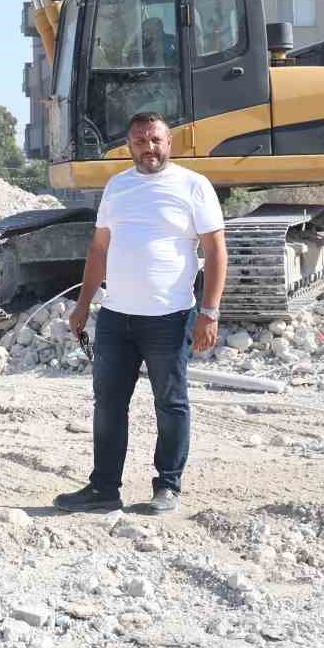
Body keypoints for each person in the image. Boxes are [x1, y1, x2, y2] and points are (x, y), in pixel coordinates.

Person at [53, 111, 227, 514]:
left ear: (169, 143)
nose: (148, 148)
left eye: (155, 140)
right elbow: (99, 249)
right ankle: (103, 489)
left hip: (169, 317)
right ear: (129, 146)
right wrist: (83, 305)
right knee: (108, 404)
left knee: (170, 403)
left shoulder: (193, 186)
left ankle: (168, 486)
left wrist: (210, 311)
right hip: (116, 316)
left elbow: (215, 252)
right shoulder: (117, 187)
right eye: (140, 141)